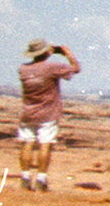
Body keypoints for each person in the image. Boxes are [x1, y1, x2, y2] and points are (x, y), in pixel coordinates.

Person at [14, 39, 76, 193]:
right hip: (48, 113)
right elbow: (75, 69)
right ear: (47, 52)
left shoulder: (23, 69)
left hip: (28, 113)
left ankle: (25, 178)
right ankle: (41, 180)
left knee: (26, 143)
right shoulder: (52, 67)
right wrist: (67, 53)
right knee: (45, 144)